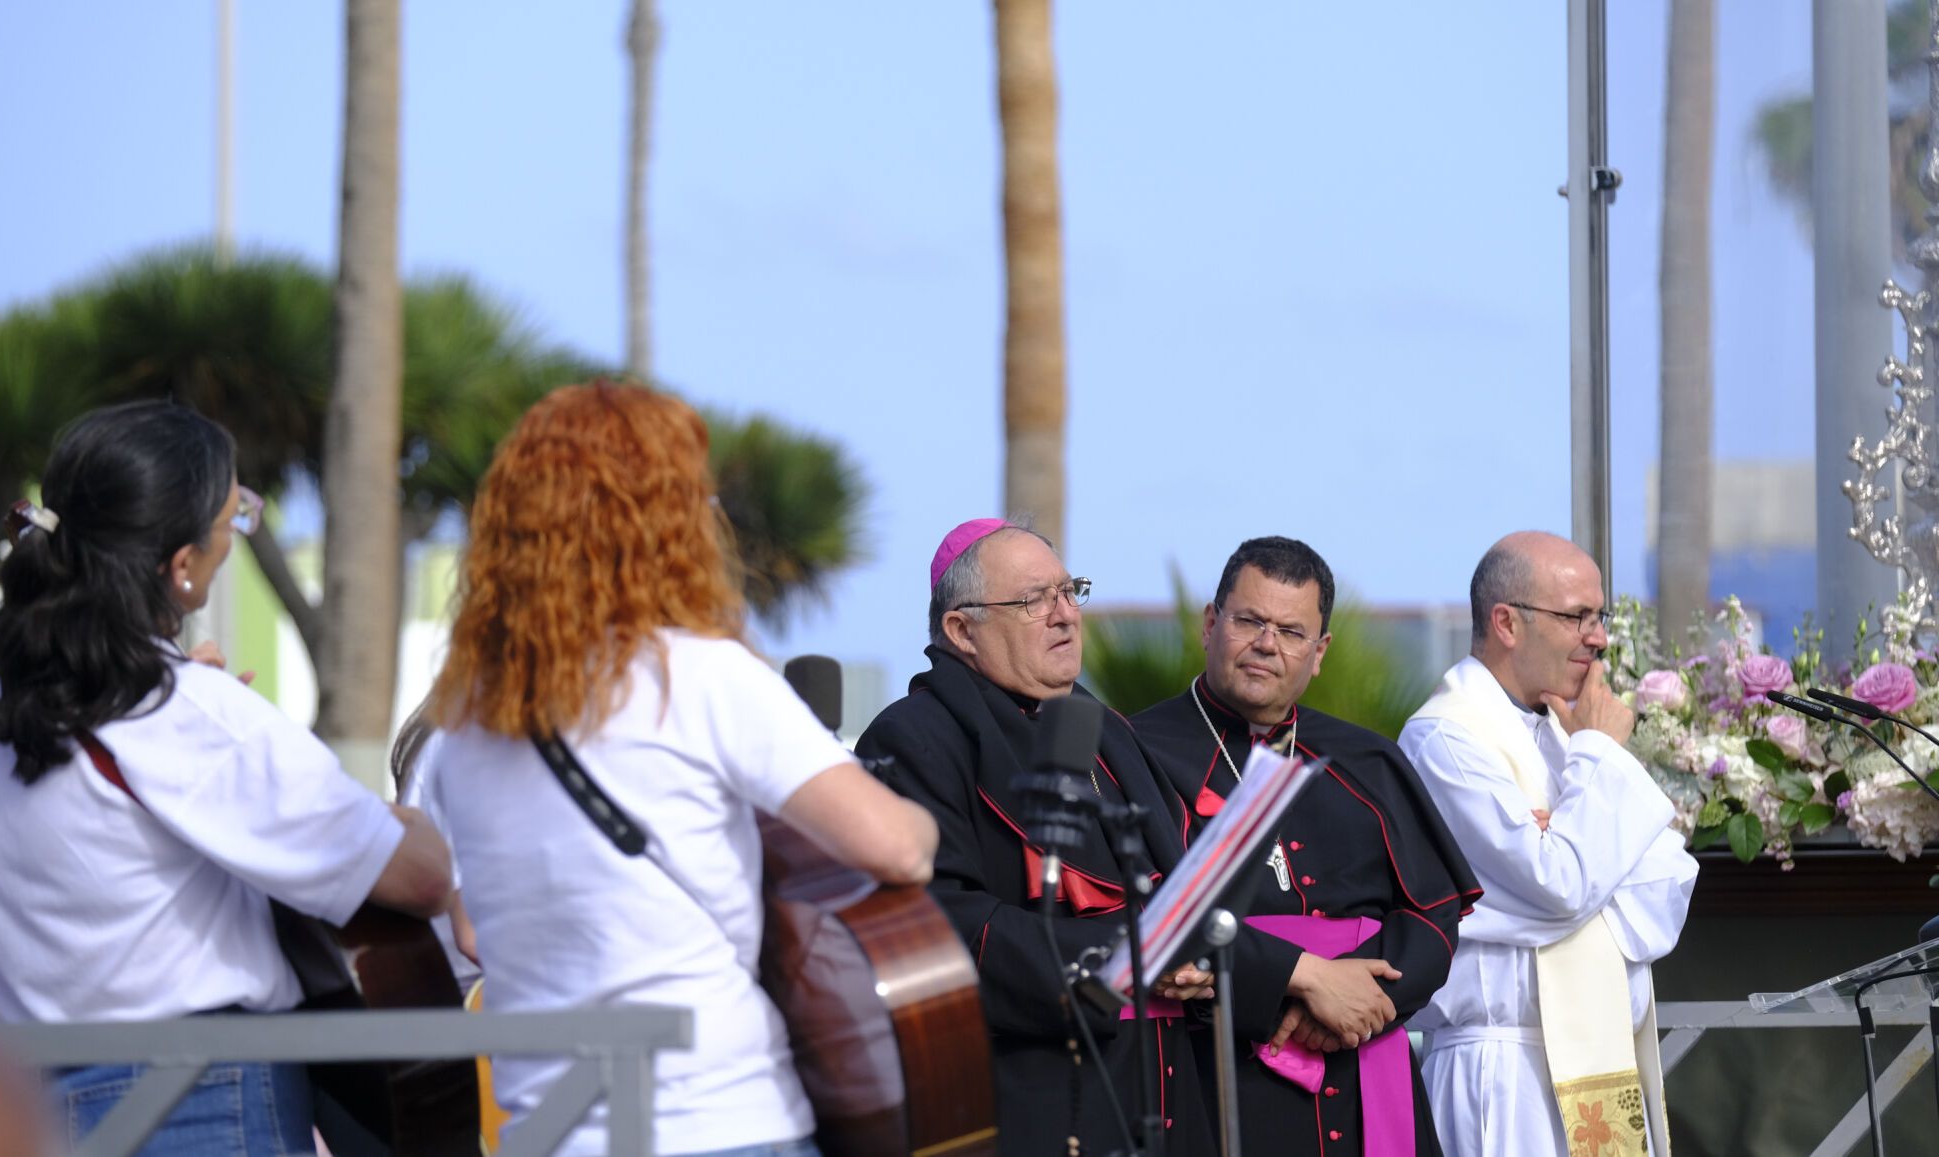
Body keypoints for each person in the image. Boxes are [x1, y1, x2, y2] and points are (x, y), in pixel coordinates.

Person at [423, 380, 938, 1157]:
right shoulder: (695, 678)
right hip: (715, 1118)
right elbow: (898, 846)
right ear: (662, 524)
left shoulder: (464, 723)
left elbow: (474, 928)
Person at [0, 400, 453, 1155]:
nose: (236, 533)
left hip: (32, 1108)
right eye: (234, 516)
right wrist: (402, 817)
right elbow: (420, 877)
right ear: (181, 566)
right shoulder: (184, 711)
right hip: (201, 1102)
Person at [855, 518, 1221, 1157]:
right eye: (1032, 601)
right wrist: (1129, 957)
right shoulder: (913, 737)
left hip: (1162, 1092)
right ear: (961, 631)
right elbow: (942, 924)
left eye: (1069, 591)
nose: (1065, 616)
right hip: (1034, 1097)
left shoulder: (1107, 731)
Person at [1135, 536, 1479, 1156]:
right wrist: (1296, 988)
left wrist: (1359, 1003)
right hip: (1220, 1073)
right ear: (1210, 624)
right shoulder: (1137, 754)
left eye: (1292, 632)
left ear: (1319, 653)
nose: (1268, 644)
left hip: (1364, 1063)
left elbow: (1434, 912)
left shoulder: (1367, 759)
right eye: (1249, 621)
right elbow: (1147, 919)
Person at [1398, 531, 1697, 1157]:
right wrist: (1600, 762)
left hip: (1598, 1050)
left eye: (1600, 615)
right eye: (1577, 616)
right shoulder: (1446, 740)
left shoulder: (1565, 733)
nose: (1600, 637)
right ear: (1506, 622)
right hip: (1499, 1073)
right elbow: (1559, 887)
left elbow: (1666, 888)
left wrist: (1569, 840)